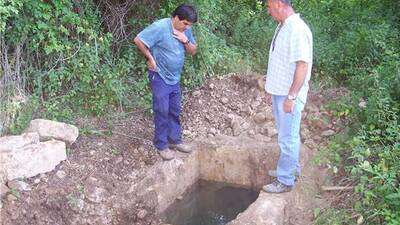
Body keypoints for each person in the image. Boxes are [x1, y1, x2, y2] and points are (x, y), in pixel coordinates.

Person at [134, 4, 197, 160]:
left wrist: (186, 40)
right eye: (185, 24)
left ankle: (175, 140)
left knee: (174, 110)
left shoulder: (186, 31)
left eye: (189, 25)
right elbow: (138, 40)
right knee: (162, 110)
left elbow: (193, 50)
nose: (187, 27)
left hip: (175, 77)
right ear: (176, 18)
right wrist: (150, 58)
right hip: (160, 76)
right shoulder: (160, 27)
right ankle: (161, 145)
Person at [263, 0, 313, 193]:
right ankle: (291, 170)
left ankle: (285, 180)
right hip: (281, 92)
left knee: (287, 137)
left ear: (278, 3)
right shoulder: (284, 26)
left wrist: (291, 97)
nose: (268, 10)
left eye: (268, 6)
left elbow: (302, 65)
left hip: (288, 95)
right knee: (289, 134)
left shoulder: (297, 29)